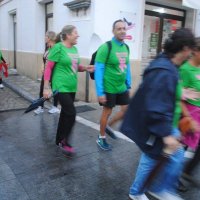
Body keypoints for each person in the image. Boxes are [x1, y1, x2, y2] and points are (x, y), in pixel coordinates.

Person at [120, 28, 195, 200]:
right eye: (190, 49)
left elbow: (163, 93)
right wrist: (165, 134)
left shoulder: (169, 64)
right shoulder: (165, 70)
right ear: (184, 48)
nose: (191, 54)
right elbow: (155, 105)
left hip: (166, 122)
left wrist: (181, 93)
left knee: (175, 156)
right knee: (152, 157)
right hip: (157, 125)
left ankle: (161, 189)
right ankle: (137, 192)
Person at [43, 25, 93, 157]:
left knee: (65, 114)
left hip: (71, 87)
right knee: (71, 113)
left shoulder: (75, 49)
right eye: (75, 33)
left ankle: (58, 140)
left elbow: (75, 67)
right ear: (67, 35)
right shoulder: (58, 48)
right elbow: (48, 68)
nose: (78, 35)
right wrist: (46, 87)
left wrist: (86, 68)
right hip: (60, 86)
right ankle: (65, 142)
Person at [95, 19, 131, 151]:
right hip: (109, 87)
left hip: (121, 86)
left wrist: (129, 82)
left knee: (126, 110)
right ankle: (101, 137)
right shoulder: (106, 47)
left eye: (124, 28)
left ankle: (107, 126)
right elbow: (99, 70)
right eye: (119, 29)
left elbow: (127, 66)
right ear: (113, 31)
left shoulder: (126, 47)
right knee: (107, 111)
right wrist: (100, 92)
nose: (122, 31)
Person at [177, 37, 200, 191]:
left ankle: (186, 171)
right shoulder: (185, 69)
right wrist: (188, 117)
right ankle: (174, 175)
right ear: (196, 52)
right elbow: (179, 96)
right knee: (181, 147)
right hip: (189, 114)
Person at [34, 31, 60, 115]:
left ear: (49, 38)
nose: (44, 38)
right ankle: (40, 107)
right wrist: (42, 66)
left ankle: (55, 107)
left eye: (45, 36)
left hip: (54, 72)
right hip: (46, 72)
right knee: (42, 89)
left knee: (54, 89)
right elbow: (44, 59)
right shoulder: (47, 47)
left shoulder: (55, 48)